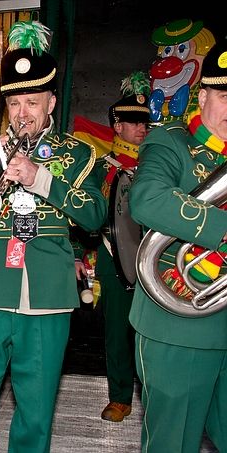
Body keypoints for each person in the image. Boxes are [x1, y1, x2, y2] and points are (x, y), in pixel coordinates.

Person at [0, 21, 107, 452]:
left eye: (33, 101)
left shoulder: (78, 152)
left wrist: (39, 178)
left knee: (35, 411)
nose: (23, 112)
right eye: (14, 102)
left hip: (49, 296)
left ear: (51, 102)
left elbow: (94, 215)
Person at [128, 37, 227, 452]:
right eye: (225, 97)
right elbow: (147, 199)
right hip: (180, 324)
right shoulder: (172, 141)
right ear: (202, 97)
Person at [76, 71, 150, 423]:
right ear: (117, 126)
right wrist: (79, 253)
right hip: (113, 257)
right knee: (117, 331)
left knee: (152, 333)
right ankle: (120, 397)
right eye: (134, 122)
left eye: (145, 122)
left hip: (156, 260)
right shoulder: (101, 168)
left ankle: (153, 395)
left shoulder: (157, 165)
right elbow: (84, 212)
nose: (141, 128)